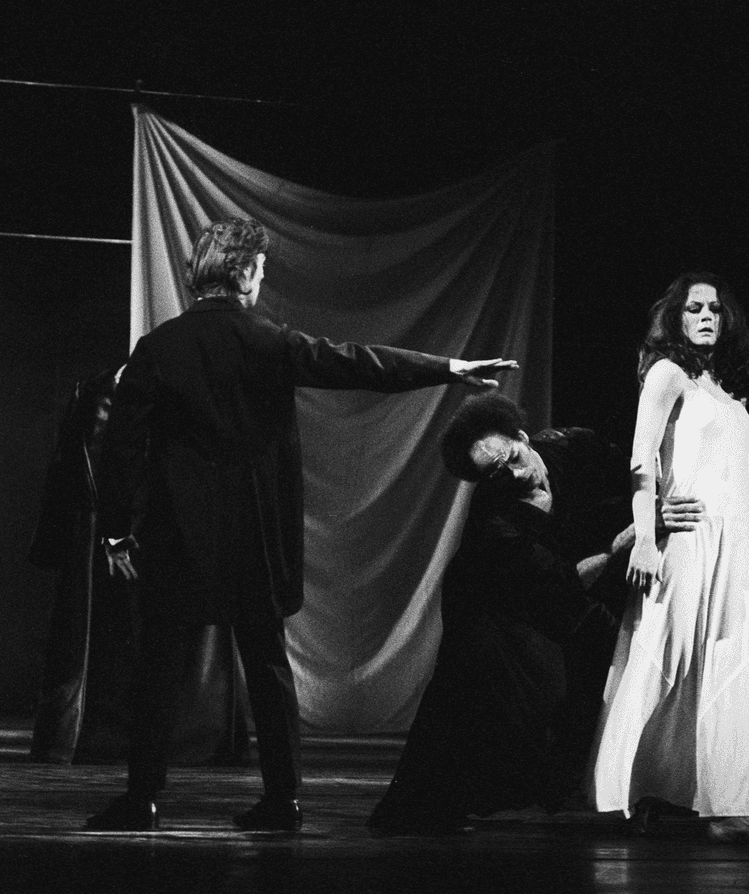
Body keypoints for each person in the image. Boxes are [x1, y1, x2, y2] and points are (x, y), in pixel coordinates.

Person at [85, 217, 516, 832]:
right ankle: (283, 800)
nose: (261, 281)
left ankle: (142, 797)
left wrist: (115, 532)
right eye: (260, 270)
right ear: (242, 273)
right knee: (267, 666)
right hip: (256, 539)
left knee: (158, 667)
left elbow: (123, 449)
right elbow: (358, 364)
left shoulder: (159, 349)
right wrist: (447, 367)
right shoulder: (269, 343)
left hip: (180, 536)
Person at [367, 393, 700, 834]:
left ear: (522, 437)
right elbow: (561, 584)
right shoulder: (496, 520)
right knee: (476, 691)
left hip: (575, 573)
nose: (516, 474)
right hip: (495, 598)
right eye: (496, 473)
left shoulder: (574, 447)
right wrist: (625, 542)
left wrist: (650, 516)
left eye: (513, 458)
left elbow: (639, 475)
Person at [589, 271, 749, 844]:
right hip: (688, 534)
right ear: (676, 317)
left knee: (732, 667)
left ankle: (728, 807)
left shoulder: (728, 389)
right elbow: (642, 460)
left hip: (737, 542)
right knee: (664, 656)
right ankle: (627, 789)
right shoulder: (667, 373)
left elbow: (743, 482)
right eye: (694, 308)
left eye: (715, 309)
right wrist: (645, 538)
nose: (706, 316)